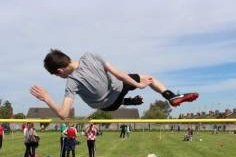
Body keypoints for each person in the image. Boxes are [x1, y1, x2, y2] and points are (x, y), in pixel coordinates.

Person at [30, 50, 199, 119]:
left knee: (107, 100)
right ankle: (170, 96)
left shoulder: (71, 82)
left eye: (56, 76)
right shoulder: (91, 56)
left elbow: (63, 114)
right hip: (120, 87)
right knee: (149, 78)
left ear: (60, 71)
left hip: (108, 106)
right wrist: (138, 84)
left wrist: (46, 98)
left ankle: (128, 102)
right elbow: (118, 73)